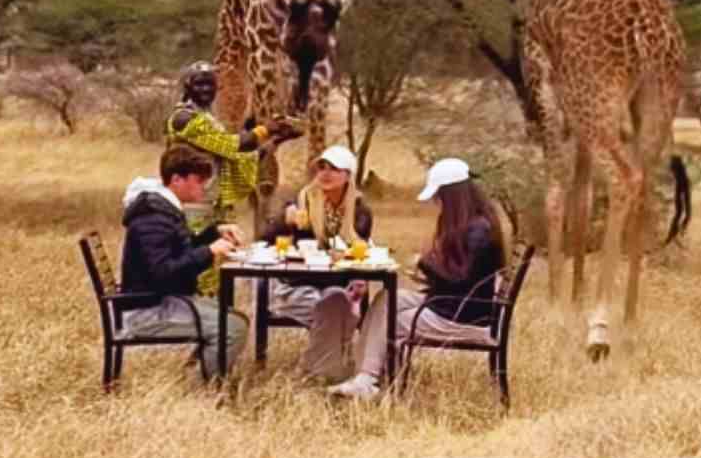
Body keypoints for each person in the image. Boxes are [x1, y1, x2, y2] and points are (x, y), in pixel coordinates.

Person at [327, 157, 505, 400]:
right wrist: (428, 269)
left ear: (452, 196)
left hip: (461, 318)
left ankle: (369, 378)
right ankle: (365, 377)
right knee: (387, 299)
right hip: (451, 306)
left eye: (439, 197)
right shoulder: (475, 224)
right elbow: (459, 277)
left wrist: (424, 264)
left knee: (393, 320)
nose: (436, 202)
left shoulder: (478, 231)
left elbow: (460, 279)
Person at [165, 60, 300, 296]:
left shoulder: (206, 118)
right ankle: (200, 315)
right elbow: (232, 146)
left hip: (214, 201)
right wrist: (266, 129)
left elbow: (241, 157)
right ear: (187, 86)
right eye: (199, 84)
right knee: (200, 266)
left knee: (221, 266)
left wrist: (278, 139)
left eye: (210, 84)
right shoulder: (183, 119)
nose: (206, 90)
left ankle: (218, 320)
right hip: (192, 202)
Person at [120, 144, 250, 379]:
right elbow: (163, 272)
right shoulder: (153, 218)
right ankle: (204, 388)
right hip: (147, 311)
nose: (204, 186)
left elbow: (181, 250)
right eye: (199, 180)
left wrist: (215, 232)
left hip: (160, 299)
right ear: (177, 179)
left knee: (235, 317)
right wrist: (209, 252)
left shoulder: (161, 208)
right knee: (233, 327)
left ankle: (195, 374)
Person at [268, 144, 373, 380]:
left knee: (337, 301)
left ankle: (313, 369)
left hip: (338, 284)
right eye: (321, 167)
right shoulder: (300, 202)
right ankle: (329, 366)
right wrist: (285, 221)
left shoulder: (360, 211)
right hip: (299, 284)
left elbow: (360, 252)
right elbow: (266, 239)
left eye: (334, 168)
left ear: (348, 176)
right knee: (334, 309)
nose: (325, 173)